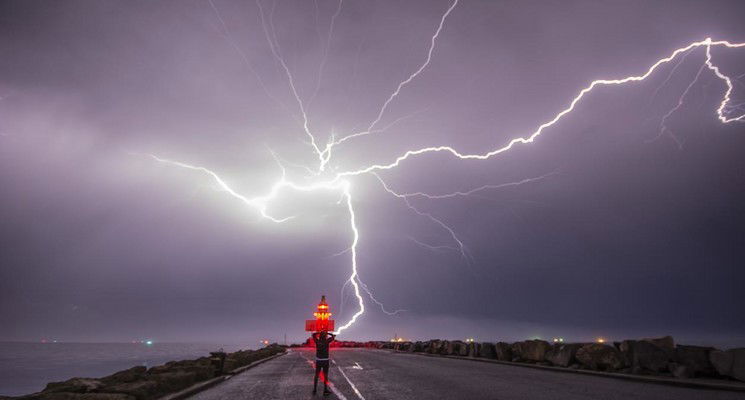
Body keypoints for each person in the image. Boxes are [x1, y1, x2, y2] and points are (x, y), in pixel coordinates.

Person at [312, 330, 336, 395]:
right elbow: (333, 336)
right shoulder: (327, 341)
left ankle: (314, 390)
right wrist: (327, 333)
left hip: (319, 360)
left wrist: (319, 332)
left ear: (320, 335)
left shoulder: (317, 341)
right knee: (325, 375)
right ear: (325, 336)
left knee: (316, 375)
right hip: (325, 360)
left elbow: (313, 335)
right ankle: (325, 390)